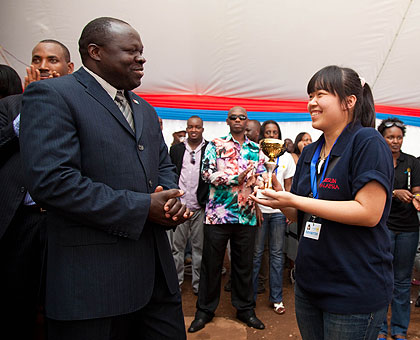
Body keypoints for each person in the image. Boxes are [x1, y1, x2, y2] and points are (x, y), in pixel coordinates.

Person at [19, 17, 191, 340]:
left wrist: (170, 201)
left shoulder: (145, 109)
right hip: (93, 287)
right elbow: (52, 182)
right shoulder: (53, 95)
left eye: (142, 52)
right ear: (95, 52)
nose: (142, 59)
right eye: (132, 51)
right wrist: (142, 207)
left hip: (156, 282)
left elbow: (163, 165)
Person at [251, 65, 394, 340]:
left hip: (352, 287)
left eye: (320, 94)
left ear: (349, 101)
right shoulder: (311, 152)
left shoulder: (367, 142)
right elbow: (300, 214)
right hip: (310, 284)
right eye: (309, 96)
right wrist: (280, 199)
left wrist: (295, 199)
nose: (311, 103)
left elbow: (369, 212)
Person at [0, 39, 74, 340]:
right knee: (16, 303)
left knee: (62, 301)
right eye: (37, 59)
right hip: (20, 222)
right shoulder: (9, 106)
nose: (43, 66)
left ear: (69, 68)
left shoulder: (80, 109)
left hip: (64, 220)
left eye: (52, 60)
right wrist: (31, 106)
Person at [188, 106, 265, 333]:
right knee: (211, 265)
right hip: (218, 215)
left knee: (244, 265)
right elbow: (207, 173)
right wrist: (234, 178)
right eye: (234, 117)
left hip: (246, 215)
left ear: (247, 121)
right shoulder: (215, 144)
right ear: (228, 121)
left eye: (242, 117)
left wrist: (261, 190)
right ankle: (204, 310)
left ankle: (245, 309)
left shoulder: (256, 149)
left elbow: (260, 177)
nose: (238, 120)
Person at [376, 117, 420, 340]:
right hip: (382, 226)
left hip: (409, 228)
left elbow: (417, 189)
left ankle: (400, 329)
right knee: (382, 278)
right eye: (390, 137)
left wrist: (416, 197)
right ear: (382, 138)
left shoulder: (411, 161)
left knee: (402, 281)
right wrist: (394, 193)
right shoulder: (375, 161)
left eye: (399, 137)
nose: (395, 141)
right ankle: (380, 328)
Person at [253, 120, 295, 314]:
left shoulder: (286, 158)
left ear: (279, 135)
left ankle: (277, 299)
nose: (271, 135)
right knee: (256, 255)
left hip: (278, 213)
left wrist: (286, 208)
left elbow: (289, 187)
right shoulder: (255, 155)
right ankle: (250, 297)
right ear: (262, 135)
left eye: (275, 132)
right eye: (268, 132)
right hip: (260, 209)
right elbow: (250, 185)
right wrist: (256, 206)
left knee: (277, 256)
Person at [169, 115, 209, 295]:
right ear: (186, 129)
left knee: (199, 249)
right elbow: (170, 173)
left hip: (199, 207)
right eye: (190, 127)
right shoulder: (176, 149)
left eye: (197, 127)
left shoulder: (210, 149)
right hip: (180, 206)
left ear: (202, 129)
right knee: (176, 249)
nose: (193, 130)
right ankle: (175, 282)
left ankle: (198, 285)